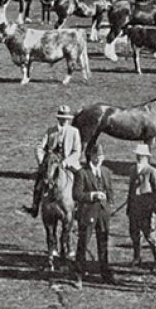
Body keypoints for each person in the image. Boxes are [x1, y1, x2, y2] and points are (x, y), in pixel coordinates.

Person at [25, 106, 82, 217]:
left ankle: (79, 206)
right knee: (39, 182)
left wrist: (66, 162)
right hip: (51, 162)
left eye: (66, 119)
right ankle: (35, 206)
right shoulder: (50, 131)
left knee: (81, 177)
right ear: (58, 119)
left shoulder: (74, 131)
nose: (64, 121)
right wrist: (42, 161)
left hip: (68, 162)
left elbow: (77, 151)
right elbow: (39, 147)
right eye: (61, 118)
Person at [72, 145, 115, 288]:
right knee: (83, 243)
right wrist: (92, 195)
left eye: (102, 157)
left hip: (103, 214)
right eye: (100, 157)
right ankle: (78, 274)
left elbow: (110, 191)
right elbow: (76, 195)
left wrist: (110, 205)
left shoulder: (106, 172)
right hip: (87, 213)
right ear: (93, 157)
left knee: (103, 244)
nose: (102, 159)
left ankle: (105, 273)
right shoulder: (82, 173)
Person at [127, 143, 156, 270]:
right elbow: (130, 190)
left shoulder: (152, 171)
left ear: (147, 157)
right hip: (133, 208)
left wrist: (153, 206)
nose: (139, 158)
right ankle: (137, 257)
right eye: (138, 155)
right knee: (134, 234)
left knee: (150, 235)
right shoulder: (132, 170)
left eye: (142, 156)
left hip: (146, 209)